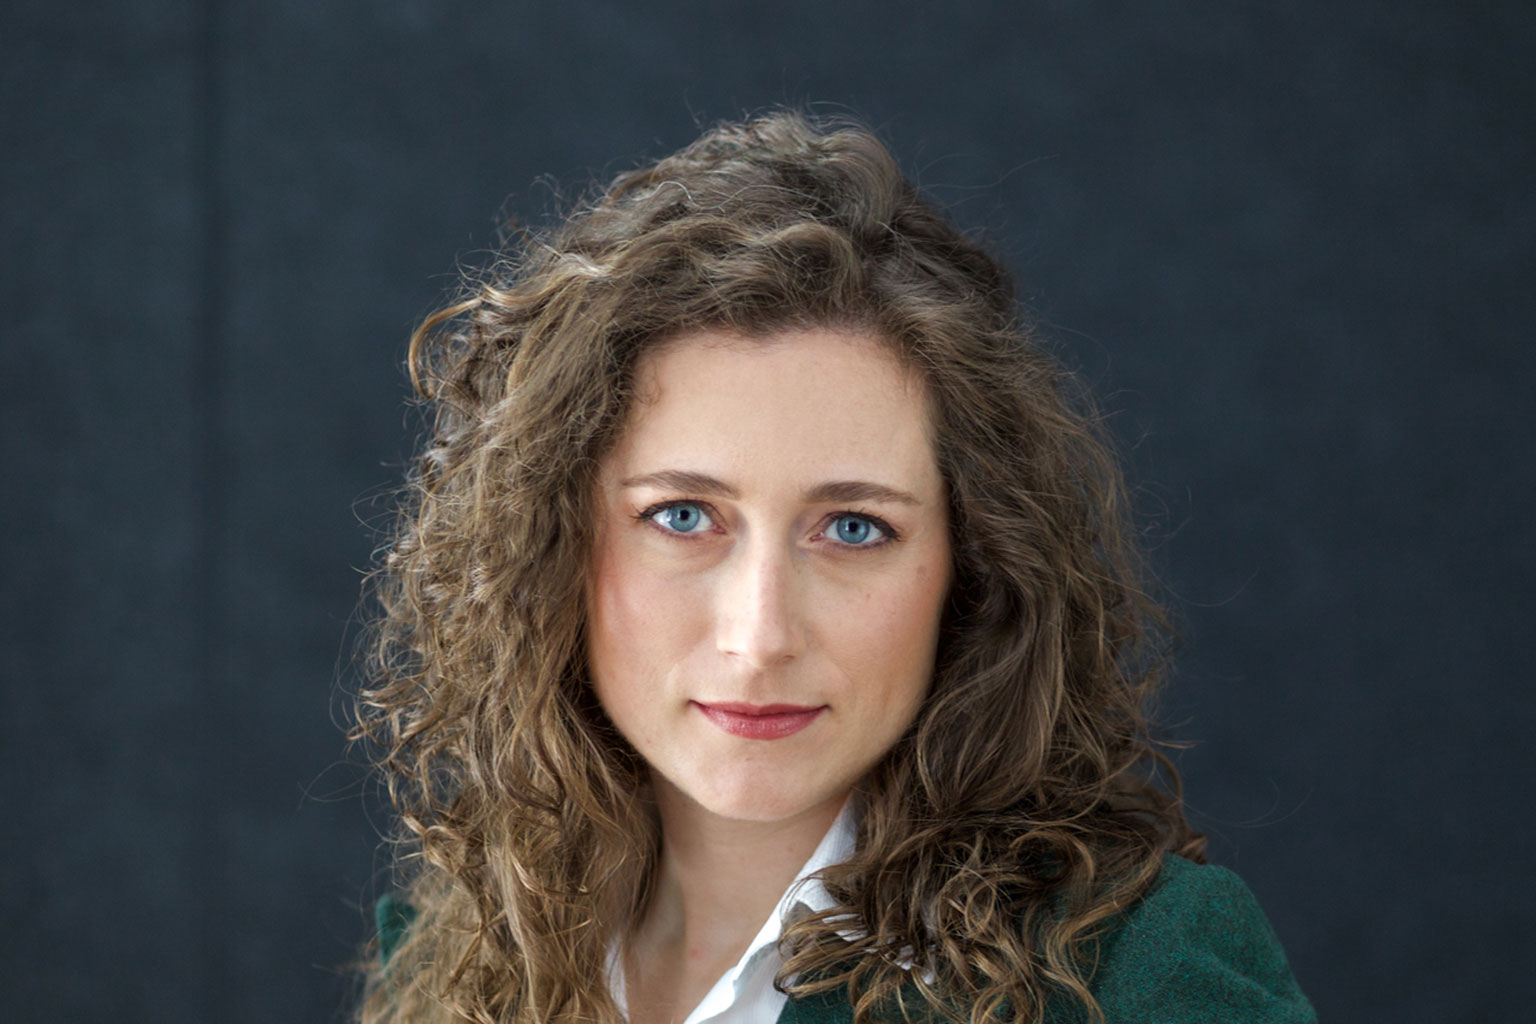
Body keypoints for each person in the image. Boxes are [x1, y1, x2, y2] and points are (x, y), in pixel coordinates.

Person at [352, 111, 1315, 1024]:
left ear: (973, 570)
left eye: (853, 528)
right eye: (682, 517)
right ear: (550, 544)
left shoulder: (1138, 974)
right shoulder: (453, 953)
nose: (761, 636)